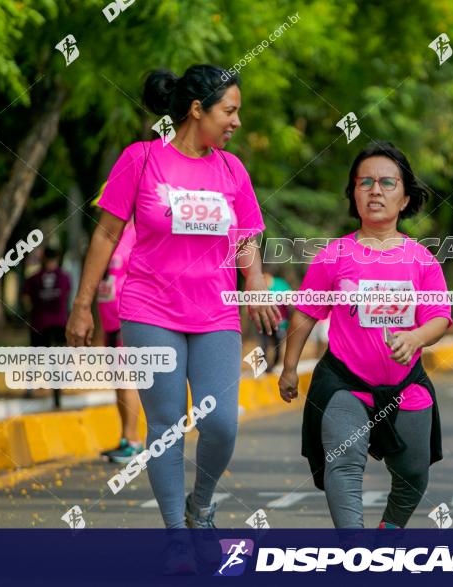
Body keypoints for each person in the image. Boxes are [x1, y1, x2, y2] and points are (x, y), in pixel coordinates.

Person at [65, 64, 279, 568]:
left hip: (217, 311)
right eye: (230, 111)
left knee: (222, 423)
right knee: (165, 424)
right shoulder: (141, 160)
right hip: (148, 309)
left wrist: (256, 283)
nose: (237, 123)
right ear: (196, 110)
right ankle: (177, 536)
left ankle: (200, 505)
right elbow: (105, 235)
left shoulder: (232, 170)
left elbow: (246, 237)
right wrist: (82, 304)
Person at [278, 141, 452, 529]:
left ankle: (387, 535)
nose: (376, 190)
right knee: (344, 462)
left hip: (406, 385)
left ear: (405, 198)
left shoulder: (422, 260)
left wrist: (416, 338)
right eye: (365, 182)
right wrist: (289, 367)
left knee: (414, 474)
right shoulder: (333, 256)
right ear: (353, 194)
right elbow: (306, 313)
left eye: (388, 183)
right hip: (344, 381)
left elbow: (439, 317)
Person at [94, 205, 145, 464]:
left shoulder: (136, 232)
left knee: (127, 379)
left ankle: (134, 440)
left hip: (128, 317)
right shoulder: (109, 234)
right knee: (117, 380)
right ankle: (125, 438)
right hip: (109, 320)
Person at [22, 248, 71, 408]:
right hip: (58, 323)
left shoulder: (34, 278)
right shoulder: (64, 277)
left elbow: (25, 299)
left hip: (40, 323)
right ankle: (57, 388)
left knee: (36, 357)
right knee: (57, 358)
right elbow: (68, 295)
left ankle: (30, 388)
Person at [259, 271, 292, 371]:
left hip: (280, 324)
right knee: (263, 346)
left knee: (277, 345)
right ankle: (263, 369)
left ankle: (273, 366)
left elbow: (290, 298)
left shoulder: (280, 284)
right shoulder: (261, 287)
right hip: (264, 323)